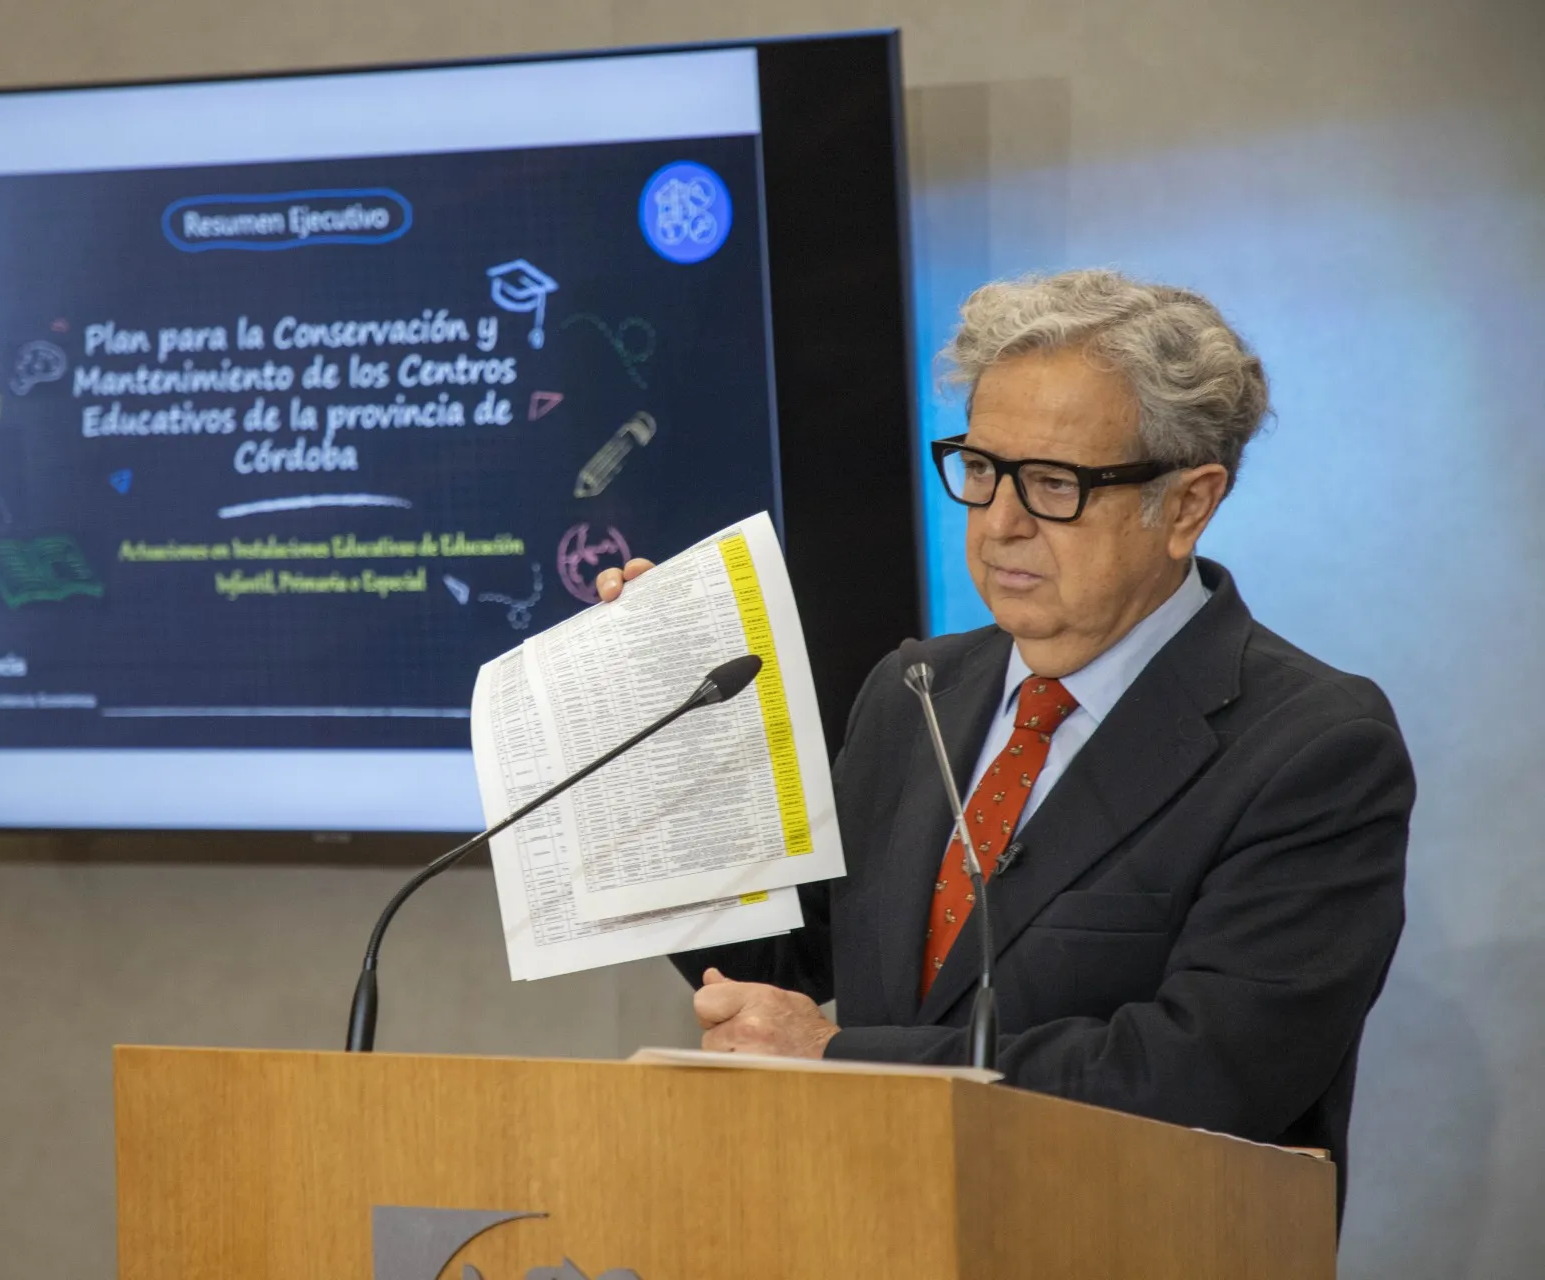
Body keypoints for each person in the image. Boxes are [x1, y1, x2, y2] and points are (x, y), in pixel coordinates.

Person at [597, 270, 1412, 1209]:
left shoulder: (1314, 748)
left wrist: (838, 1057)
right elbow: (783, 962)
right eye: (982, 471)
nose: (1000, 523)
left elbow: (1199, 1075)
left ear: (1188, 503)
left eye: (1055, 484)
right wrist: (665, 727)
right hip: (867, 1227)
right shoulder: (917, 691)